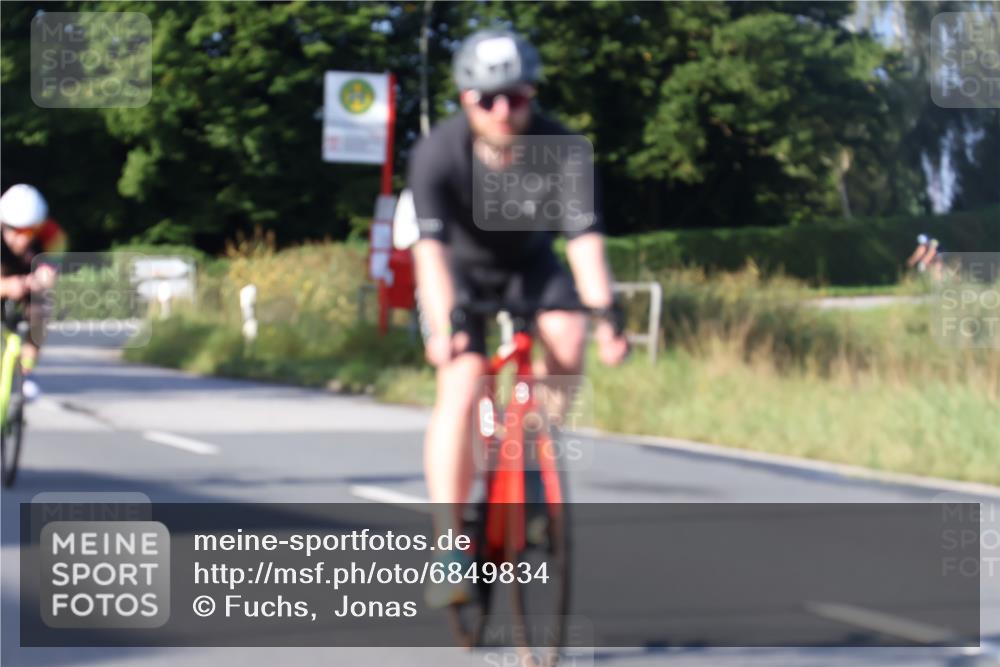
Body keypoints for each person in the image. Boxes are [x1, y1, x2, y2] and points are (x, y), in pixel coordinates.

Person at [408, 29, 629, 607]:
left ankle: (532, 453)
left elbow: (583, 241)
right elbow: (428, 257)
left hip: (531, 266)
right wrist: (443, 328)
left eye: (517, 96)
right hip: (462, 273)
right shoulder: (438, 153)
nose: (504, 110)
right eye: (488, 100)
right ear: (465, 100)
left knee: (568, 331)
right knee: (462, 381)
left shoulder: (562, 147)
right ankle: (449, 544)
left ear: (533, 94)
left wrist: (607, 315)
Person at [0, 184, 65, 401]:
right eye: (17, 231)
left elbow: (53, 262)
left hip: (29, 276)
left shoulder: (51, 233)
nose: (24, 239)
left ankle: (27, 372)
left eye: (30, 231)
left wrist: (47, 274)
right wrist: (6, 286)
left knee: (41, 307)